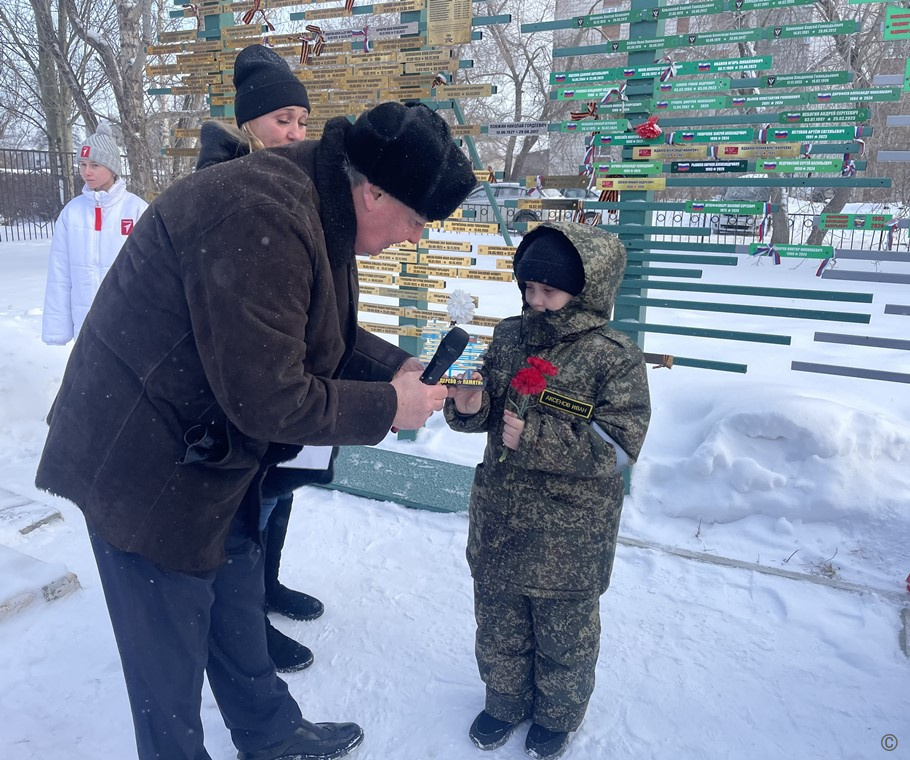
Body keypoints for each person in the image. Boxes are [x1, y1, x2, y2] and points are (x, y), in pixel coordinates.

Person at [35, 100, 476, 760]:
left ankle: (270, 734)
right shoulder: (262, 212)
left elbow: (311, 328)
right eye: (418, 221)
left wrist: (395, 370)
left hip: (208, 451)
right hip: (143, 462)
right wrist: (388, 406)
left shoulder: (321, 203)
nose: (416, 238)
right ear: (375, 191)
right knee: (167, 659)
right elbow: (268, 397)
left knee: (236, 596)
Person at [444, 221, 651, 760]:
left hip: (570, 534)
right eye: (528, 287)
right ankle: (504, 701)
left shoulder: (614, 356)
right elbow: (486, 407)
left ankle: (557, 716)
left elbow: (620, 445)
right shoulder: (509, 336)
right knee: (499, 625)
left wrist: (534, 437)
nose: (535, 300)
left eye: (550, 290)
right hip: (500, 518)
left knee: (565, 636)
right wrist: (469, 406)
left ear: (586, 289)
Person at [196, 43, 324, 675]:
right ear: (248, 122)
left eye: (302, 121)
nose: (296, 133)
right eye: (282, 120)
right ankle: (245, 621)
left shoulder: (295, 182)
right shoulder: (223, 185)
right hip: (237, 380)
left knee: (281, 487)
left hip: (287, 365)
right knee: (248, 505)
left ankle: (267, 586)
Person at [42, 122, 148, 345]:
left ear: (112, 168)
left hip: (128, 325)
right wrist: (57, 329)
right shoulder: (72, 213)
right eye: (82, 164)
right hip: (85, 327)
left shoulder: (137, 210)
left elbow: (151, 273)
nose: (86, 172)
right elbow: (60, 275)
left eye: (95, 165)